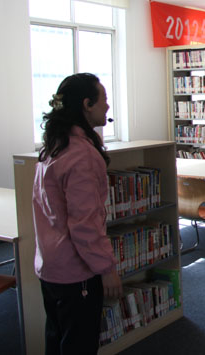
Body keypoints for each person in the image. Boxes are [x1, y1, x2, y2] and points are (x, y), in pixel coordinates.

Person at [32, 73, 123, 355]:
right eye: (103, 99)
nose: (107, 106)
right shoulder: (82, 155)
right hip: (76, 271)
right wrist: (106, 268)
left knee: (57, 337)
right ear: (87, 104)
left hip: (50, 264)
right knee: (79, 344)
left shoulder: (52, 147)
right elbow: (85, 225)